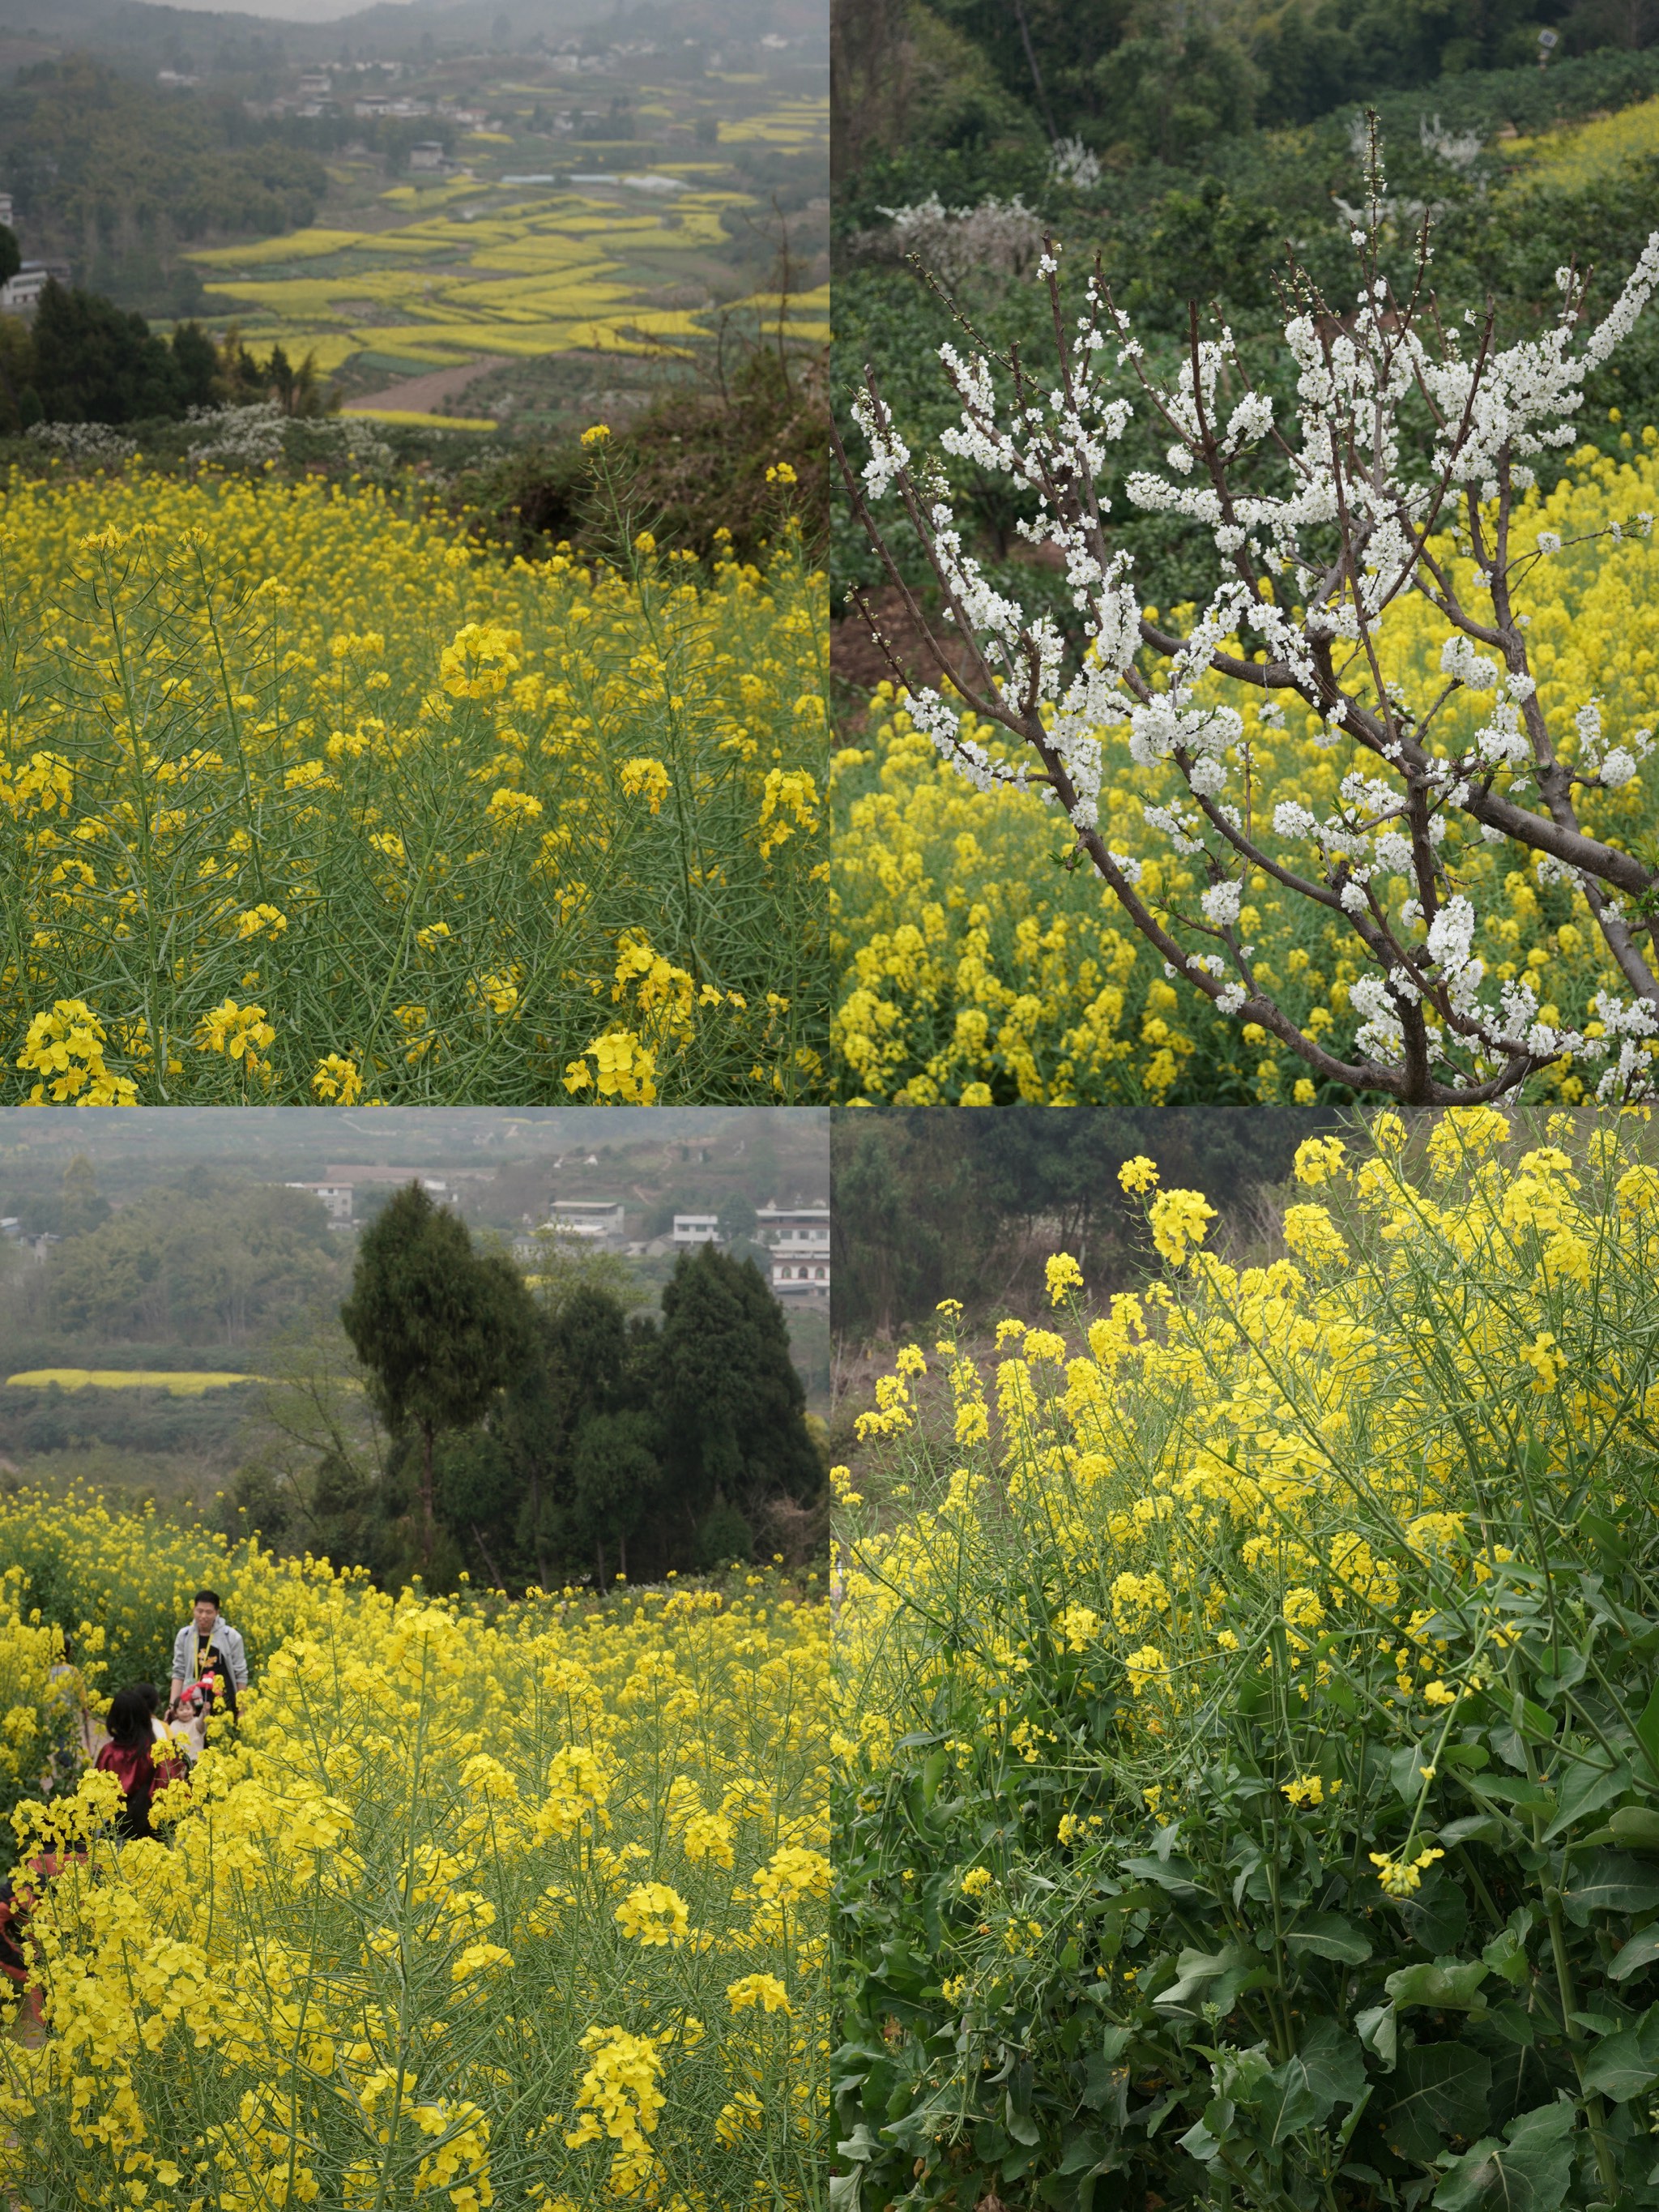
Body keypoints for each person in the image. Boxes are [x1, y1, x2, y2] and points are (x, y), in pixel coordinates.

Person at [95, 1689, 183, 1842]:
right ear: (145, 1717)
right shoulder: (155, 1751)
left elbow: (97, 1797)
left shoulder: (109, 1753)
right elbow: (172, 1787)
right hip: (151, 1832)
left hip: (117, 1830)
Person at [167, 1591, 246, 1727]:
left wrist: (242, 1710)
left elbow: (241, 1675)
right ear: (194, 1610)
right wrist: (173, 1705)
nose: (203, 1616)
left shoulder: (231, 1637)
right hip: (191, 1706)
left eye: (209, 1612)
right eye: (200, 1611)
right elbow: (179, 1672)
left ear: (217, 1612)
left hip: (225, 1704)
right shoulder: (184, 1636)